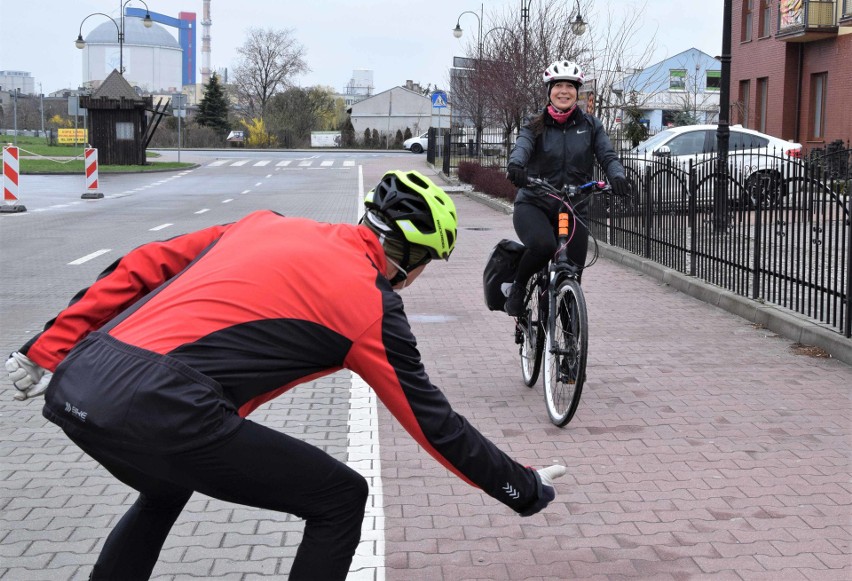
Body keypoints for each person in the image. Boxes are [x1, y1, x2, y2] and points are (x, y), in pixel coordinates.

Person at [5, 170, 566, 581]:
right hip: (164, 406)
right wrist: (521, 488)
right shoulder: (371, 305)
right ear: (411, 258)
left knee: (165, 486)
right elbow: (435, 426)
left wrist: (46, 350)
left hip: (80, 383)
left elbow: (142, 263)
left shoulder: (263, 223)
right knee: (342, 497)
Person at [504, 60, 631, 316]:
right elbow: (522, 147)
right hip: (535, 202)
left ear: (577, 91)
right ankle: (517, 287)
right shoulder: (534, 124)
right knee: (543, 246)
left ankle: (569, 341)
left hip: (575, 206)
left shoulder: (591, 126)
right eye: (558, 86)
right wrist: (516, 165)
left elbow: (607, 156)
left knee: (573, 272)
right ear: (549, 91)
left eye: (569, 86)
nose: (564, 91)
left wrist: (617, 175)